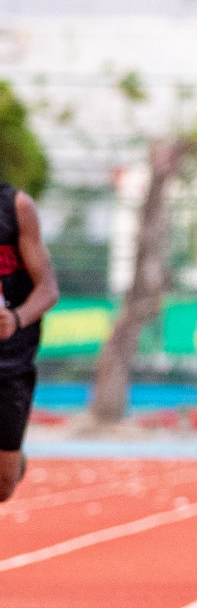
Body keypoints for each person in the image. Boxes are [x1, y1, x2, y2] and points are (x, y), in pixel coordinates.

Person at [0, 181, 58, 500]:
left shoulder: (17, 207)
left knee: (3, 487)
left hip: (10, 356)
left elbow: (48, 289)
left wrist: (17, 318)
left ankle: (13, 462)